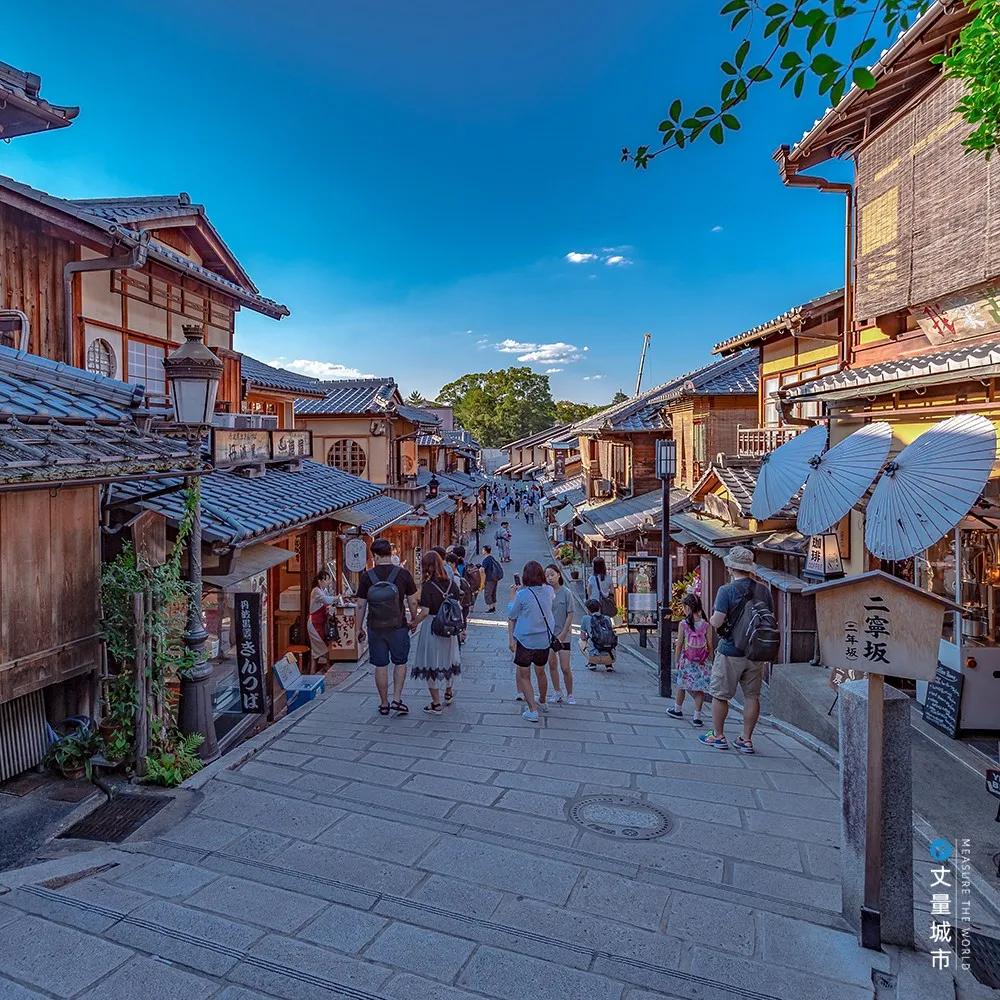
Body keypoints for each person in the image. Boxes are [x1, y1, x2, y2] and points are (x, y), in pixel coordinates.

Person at [700, 546, 772, 754]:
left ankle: (718, 735)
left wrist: (711, 619)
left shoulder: (726, 591)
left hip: (731, 650)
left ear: (731, 567)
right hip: (756, 651)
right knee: (752, 696)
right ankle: (746, 739)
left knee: (720, 694)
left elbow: (717, 621)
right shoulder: (764, 590)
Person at [355, 539, 419, 716]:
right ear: (391, 554)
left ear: (375, 556)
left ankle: (384, 703)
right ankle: (397, 699)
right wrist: (414, 619)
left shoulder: (367, 576)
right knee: (400, 662)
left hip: (375, 627)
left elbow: (360, 605)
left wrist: (358, 628)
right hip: (398, 626)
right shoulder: (403, 574)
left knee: (380, 665)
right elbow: (413, 601)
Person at [410, 551, 463, 713]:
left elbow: (425, 611)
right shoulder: (452, 584)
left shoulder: (428, 586)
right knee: (449, 659)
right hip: (449, 627)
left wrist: (413, 623)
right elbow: (457, 606)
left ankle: (436, 703)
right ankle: (448, 692)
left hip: (432, 626)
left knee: (431, 662)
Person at [507, 561, 555, 723]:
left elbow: (512, 614)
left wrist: (513, 597)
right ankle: (543, 700)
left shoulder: (522, 595)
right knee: (541, 671)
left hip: (526, 640)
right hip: (544, 640)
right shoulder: (549, 591)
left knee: (524, 675)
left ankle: (532, 710)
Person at [667, 593, 711, 727]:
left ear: (687, 607)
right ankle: (697, 717)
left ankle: (677, 709)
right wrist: (708, 658)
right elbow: (710, 645)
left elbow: (679, 644)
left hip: (687, 660)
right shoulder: (706, 625)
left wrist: (676, 660)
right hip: (702, 662)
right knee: (699, 689)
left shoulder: (684, 624)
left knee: (682, 685)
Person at [545, 564, 575, 704]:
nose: (550, 578)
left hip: (564, 635)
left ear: (558, 574)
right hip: (549, 634)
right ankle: (557, 691)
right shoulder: (545, 593)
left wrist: (563, 633)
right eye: (547, 576)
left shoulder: (566, 593)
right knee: (552, 664)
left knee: (565, 667)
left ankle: (570, 694)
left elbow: (570, 614)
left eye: (552, 574)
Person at [307, 571, 336, 669]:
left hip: (320, 623)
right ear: (320, 581)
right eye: (326, 580)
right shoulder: (316, 591)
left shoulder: (323, 590)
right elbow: (326, 600)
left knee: (318, 649)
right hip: (314, 624)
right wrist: (337, 598)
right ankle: (327, 667)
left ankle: (315, 670)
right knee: (323, 647)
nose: (328, 582)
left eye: (328, 580)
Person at [579, 598, 617, 671]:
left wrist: (588, 637)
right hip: (611, 657)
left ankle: (592, 663)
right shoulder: (607, 618)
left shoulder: (586, 618)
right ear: (599, 608)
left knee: (581, 641)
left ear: (588, 610)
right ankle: (609, 665)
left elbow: (582, 637)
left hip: (595, 656)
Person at [481, 545, 503, 612]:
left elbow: (482, 570)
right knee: (493, 593)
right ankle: (493, 607)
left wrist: (482, 581)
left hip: (489, 579)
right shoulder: (492, 558)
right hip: (494, 578)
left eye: (483, 550)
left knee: (487, 594)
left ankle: (490, 608)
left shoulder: (485, 560)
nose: (482, 551)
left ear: (485, 551)